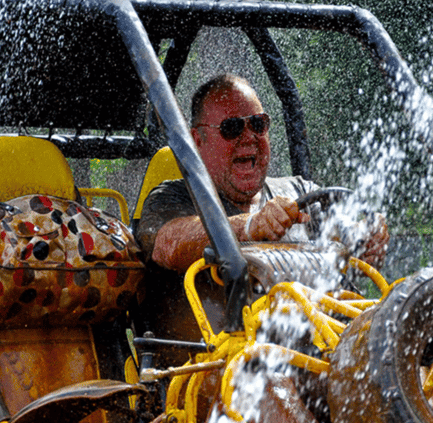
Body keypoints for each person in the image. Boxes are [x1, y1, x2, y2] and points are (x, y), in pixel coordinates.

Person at [136, 73, 388, 276]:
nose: (249, 137)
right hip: (219, 338)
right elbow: (168, 246)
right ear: (197, 140)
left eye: (257, 124)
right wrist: (250, 225)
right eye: (231, 128)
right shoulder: (171, 198)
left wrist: (365, 240)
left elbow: (343, 234)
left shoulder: (300, 192)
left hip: (316, 332)